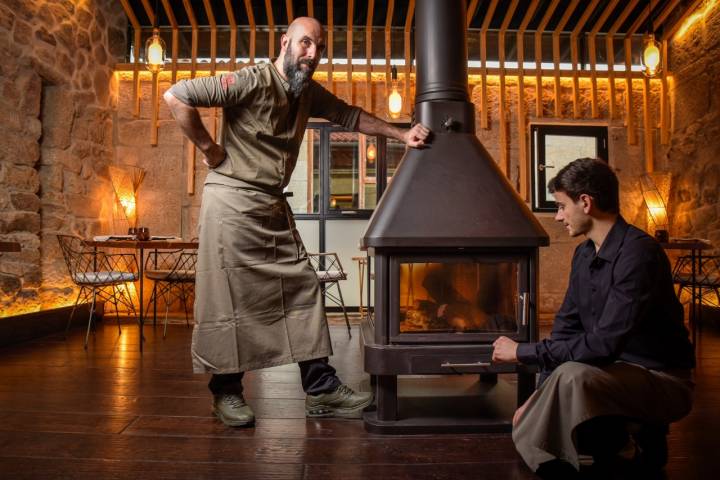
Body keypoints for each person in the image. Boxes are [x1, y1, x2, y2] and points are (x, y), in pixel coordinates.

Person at [164, 17, 430, 427]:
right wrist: (210, 148)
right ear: (285, 42)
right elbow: (178, 94)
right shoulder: (251, 80)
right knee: (230, 299)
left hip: (271, 203)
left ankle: (321, 390)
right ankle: (227, 394)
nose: (313, 54)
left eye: (319, 48)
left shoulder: (305, 92)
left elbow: (349, 115)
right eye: (306, 44)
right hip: (231, 202)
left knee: (304, 286)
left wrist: (401, 135)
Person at [492, 158, 695, 478]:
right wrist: (537, 395)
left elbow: (603, 345)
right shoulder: (584, 254)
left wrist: (522, 352)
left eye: (561, 206)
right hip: (609, 372)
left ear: (585, 202)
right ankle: (608, 445)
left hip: (660, 380)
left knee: (572, 375)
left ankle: (572, 454)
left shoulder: (639, 253)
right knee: (566, 377)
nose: (557, 216)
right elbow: (566, 329)